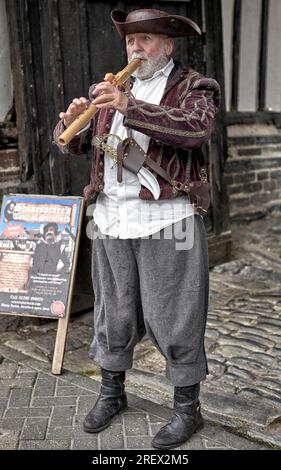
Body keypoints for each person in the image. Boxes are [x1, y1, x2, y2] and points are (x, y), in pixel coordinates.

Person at [54, 8, 220, 449]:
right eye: (131, 41)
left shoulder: (194, 87)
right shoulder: (111, 88)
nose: (135, 49)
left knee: (176, 316)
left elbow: (195, 130)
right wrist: (72, 121)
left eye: (145, 40)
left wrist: (130, 106)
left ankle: (188, 409)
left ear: (167, 44)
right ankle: (112, 393)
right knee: (114, 312)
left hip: (167, 218)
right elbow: (80, 145)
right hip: (110, 218)